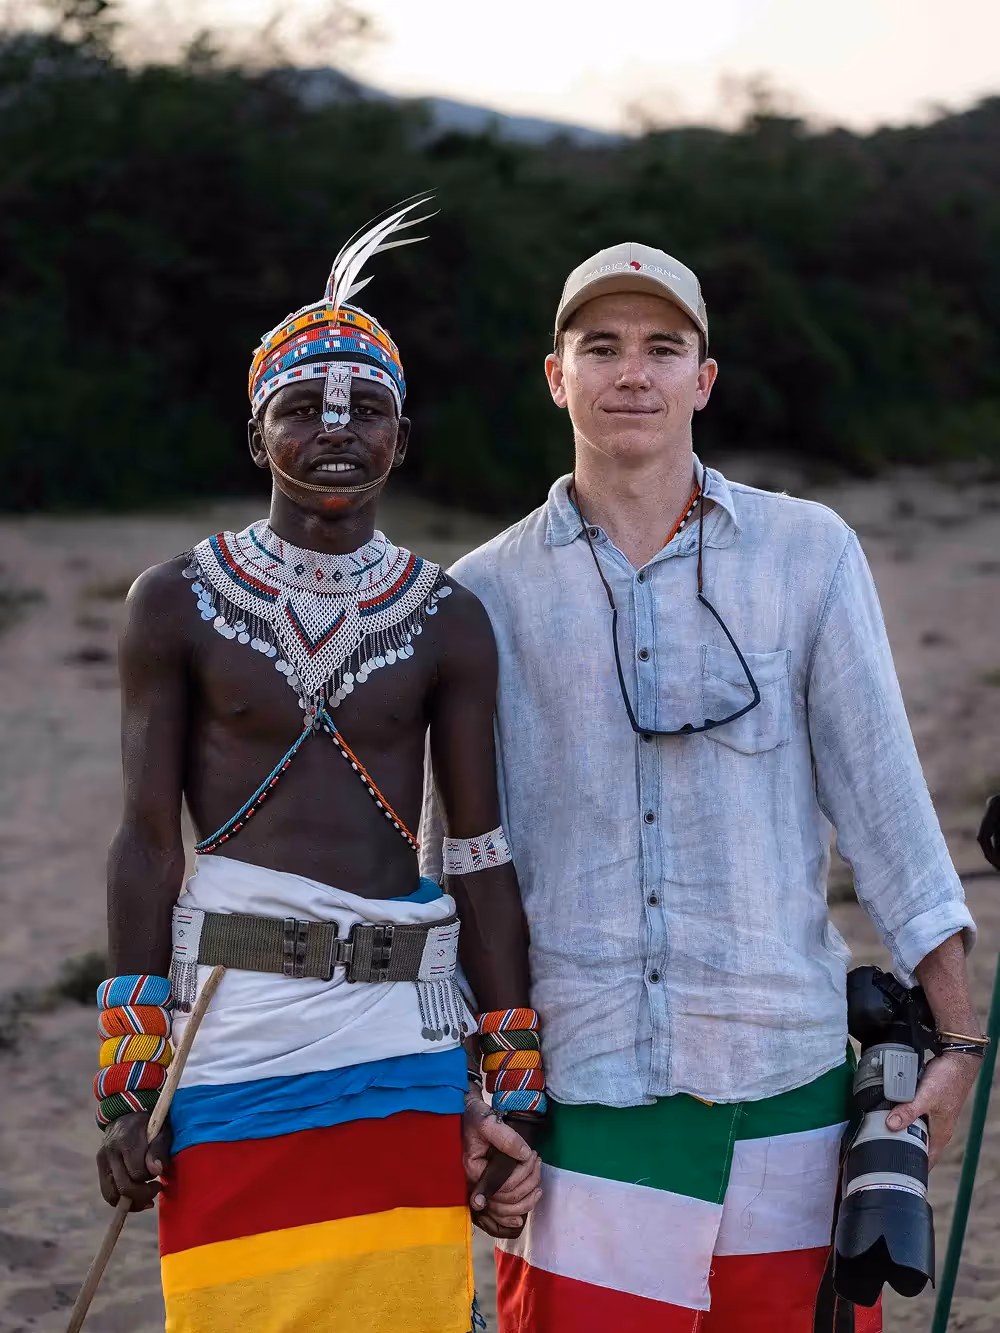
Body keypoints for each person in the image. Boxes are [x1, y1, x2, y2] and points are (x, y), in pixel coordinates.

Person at [420, 242, 985, 1332]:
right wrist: (464, 1090)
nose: (632, 373)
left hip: (789, 1081)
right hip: (585, 1096)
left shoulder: (806, 551)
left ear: (701, 380)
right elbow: (451, 871)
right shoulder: (477, 594)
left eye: (661, 348)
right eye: (602, 347)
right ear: (557, 375)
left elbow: (889, 813)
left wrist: (957, 1041)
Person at [93, 199, 544, 1333]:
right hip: (231, 1017)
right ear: (258, 437)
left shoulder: (447, 616)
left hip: (399, 1025)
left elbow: (479, 854)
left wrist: (517, 1079)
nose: (334, 428)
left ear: (402, 435)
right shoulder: (178, 601)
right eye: (301, 407)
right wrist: (128, 1080)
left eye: (367, 408)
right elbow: (148, 840)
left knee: (405, 1303)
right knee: (241, 1305)